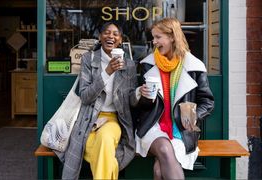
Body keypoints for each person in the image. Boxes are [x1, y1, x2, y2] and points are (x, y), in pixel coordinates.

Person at [55, 22, 139, 180]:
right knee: (104, 151)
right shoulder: (89, 59)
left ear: (120, 40)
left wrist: (140, 93)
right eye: (106, 32)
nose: (111, 36)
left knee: (105, 138)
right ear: (100, 37)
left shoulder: (129, 64)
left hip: (114, 119)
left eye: (115, 34)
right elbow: (86, 96)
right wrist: (107, 72)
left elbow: (131, 100)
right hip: (88, 119)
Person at [134, 18, 214, 179]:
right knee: (163, 149)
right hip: (153, 126)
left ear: (172, 37)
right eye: (153, 37)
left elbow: (207, 102)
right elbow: (141, 107)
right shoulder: (147, 65)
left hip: (181, 130)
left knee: (158, 171)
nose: (154, 42)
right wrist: (142, 96)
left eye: (158, 37)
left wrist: (194, 116)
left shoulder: (194, 66)